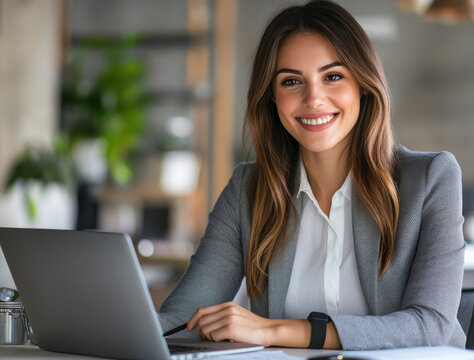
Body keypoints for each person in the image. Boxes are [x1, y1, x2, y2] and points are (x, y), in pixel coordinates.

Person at [159, 0, 466, 350]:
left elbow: (431, 325)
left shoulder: (431, 179)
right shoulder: (248, 190)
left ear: (363, 85)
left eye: (332, 76)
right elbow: (181, 319)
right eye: (291, 81)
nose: (313, 98)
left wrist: (276, 331)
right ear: (272, 97)